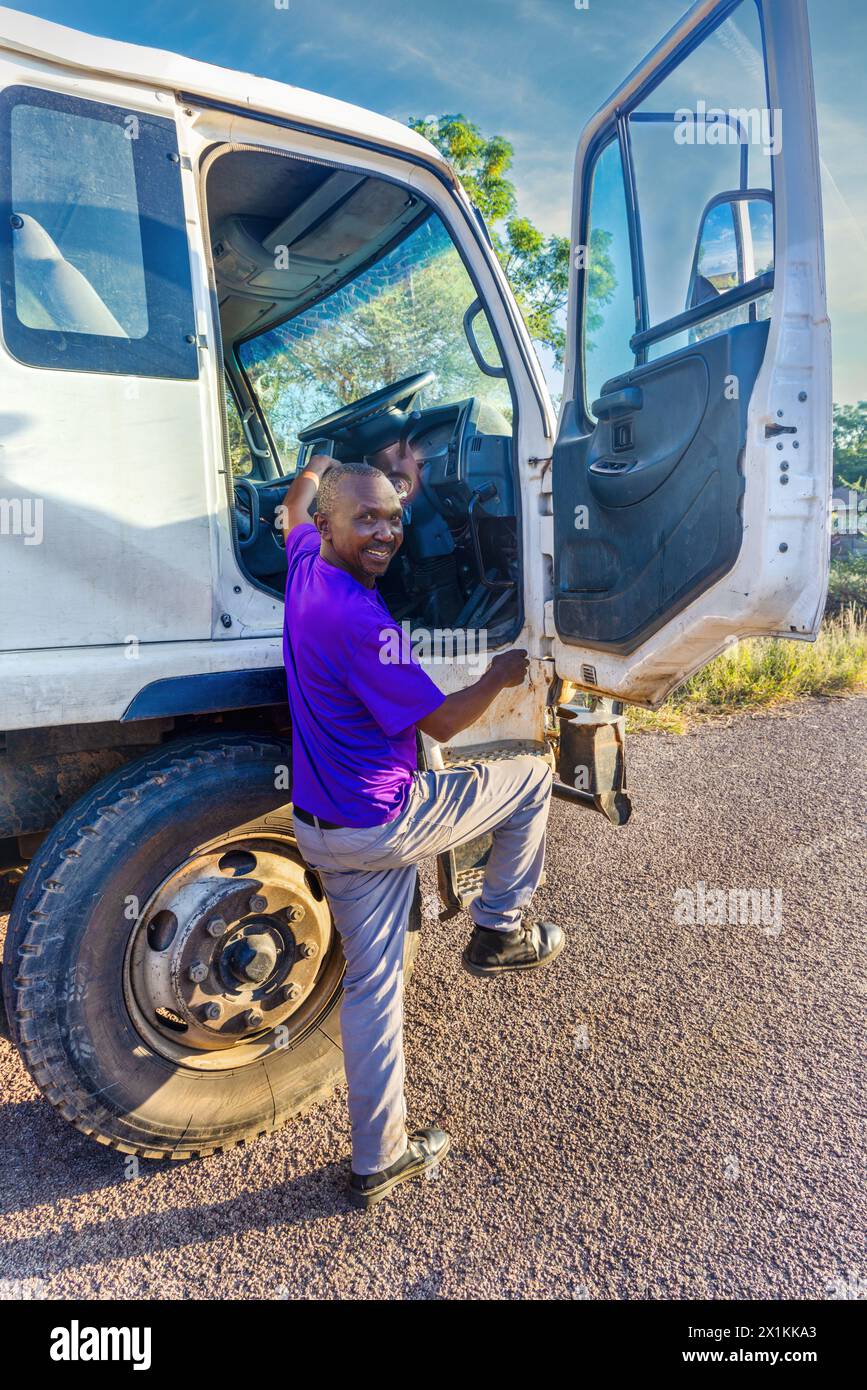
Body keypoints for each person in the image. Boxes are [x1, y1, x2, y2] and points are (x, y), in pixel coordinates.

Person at [280, 453, 564, 1208]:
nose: (385, 533)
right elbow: (439, 719)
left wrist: (325, 466)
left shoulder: (305, 567)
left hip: (319, 826)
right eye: (366, 520)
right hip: (382, 823)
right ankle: (500, 927)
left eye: (394, 519)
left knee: (374, 987)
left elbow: (296, 500)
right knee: (531, 774)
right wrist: (500, 676)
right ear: (331, 526)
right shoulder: (364, 622)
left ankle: (381, 1159)